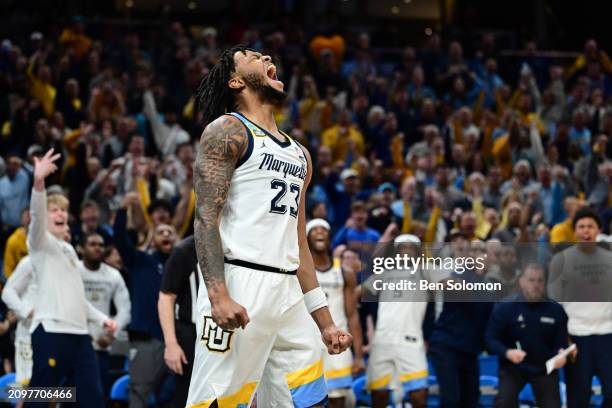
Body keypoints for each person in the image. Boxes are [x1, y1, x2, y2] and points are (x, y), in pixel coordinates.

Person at [187, 45, 351, 408]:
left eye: (266, 56)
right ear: (235, 80)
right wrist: (217, 295)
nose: (265, 57)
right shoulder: (228, 130)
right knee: (219, 401)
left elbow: (300, 243)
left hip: (288, 290)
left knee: (308, 399)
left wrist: (324, 321)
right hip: (240, 280)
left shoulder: (300, 153)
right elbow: (206, 219)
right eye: (251, 56)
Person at [25, 149, 117, 408]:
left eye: (63, 210)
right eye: (53, 210)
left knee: (90, 398)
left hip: (80, 334)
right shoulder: (39, 242)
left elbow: (78, 297)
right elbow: (36, 216)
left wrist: (103, 319)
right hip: (51, 331)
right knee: (39, 399)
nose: (60, 214)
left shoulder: (67, 250)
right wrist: (39, 183)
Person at [113, 196, 178, 408]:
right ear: (152, 239)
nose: (166, 234)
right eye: (161, 232)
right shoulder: (141, 261)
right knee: (139, 393)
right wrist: (123, 210)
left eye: (170, 232)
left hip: (179, 339)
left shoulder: (185, 266)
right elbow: (120, 239)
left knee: (177, 394)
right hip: (146, 339)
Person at [361, 234, 435, 408]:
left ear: (418, 252)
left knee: (419, 394)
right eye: (402, 248)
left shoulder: (426, 271)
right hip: (382, 339)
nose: (406, 252)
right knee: (379, 394)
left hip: (411, 339)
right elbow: (358, 292)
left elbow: (448, 283)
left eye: (411, 248)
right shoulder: (383, 273)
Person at [548, 207, 612, 407]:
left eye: (590, 226)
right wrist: (564, 338)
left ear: (598, 230)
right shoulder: (561, 260)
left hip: (608, 335)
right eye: (581, 227)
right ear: (575, 231)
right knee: (578, 397)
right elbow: (555, 304)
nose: (586, 231)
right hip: (576, 337)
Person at [486, 264, 569, 408]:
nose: (536, 285)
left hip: (545, 368)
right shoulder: (505, 307)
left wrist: (561, 355)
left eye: (539, 280)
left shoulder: (556, 310)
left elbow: (561, 343)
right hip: (513, 367)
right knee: (504, 402)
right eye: (531, 280)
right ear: (521, 281)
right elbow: (490, 338)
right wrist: (507, 352)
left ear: (545, 283)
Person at [306, 218, 364, 407]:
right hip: (308, 342)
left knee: (337, 400)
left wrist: (359, 355)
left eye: (324, 229)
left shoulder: (344, 271)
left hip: (337, 341)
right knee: (309, 401)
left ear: (330, 237)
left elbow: (352, 314)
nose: (320, 232)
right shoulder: (299, 270)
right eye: (315, 230)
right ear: (306, 237)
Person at [79, 232, 131, 395]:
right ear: (82, 248)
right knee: (71, 396)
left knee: (98, 395)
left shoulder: (113, 275)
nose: (97, 248)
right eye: (92, 244)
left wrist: (111, 335)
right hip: (74, 342)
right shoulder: (73, 270)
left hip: (101, 345)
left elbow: (125, 310)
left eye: (101, 245)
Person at [158, 235, 199, 407]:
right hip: (190, 332)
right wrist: (171, 344)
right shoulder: (185, 250)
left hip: (225, 332)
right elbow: (166, 297)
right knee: (187, 394)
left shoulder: (237, 244)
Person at [1, 255, 36, 385]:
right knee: (26, 386)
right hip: (27, 335)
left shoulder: (63, 262)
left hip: (53, 334)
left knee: (56, 391)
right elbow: (8, 293)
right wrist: (26, 311)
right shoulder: (29, 262)